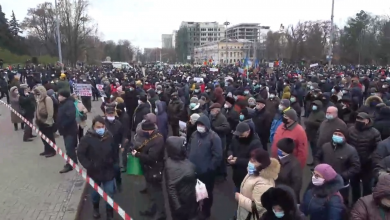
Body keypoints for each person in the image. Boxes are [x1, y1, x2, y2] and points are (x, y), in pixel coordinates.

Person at [77, 116, 117, 220]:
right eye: (98, 127)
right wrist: (89, 165)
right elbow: (81, 154)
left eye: (102, 126)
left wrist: (114, 162)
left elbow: (115, 150)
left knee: (110, 192)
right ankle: (96, 208)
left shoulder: (109, 137)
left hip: (108, 171)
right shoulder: (87, 139)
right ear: (93, 127)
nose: (101, 129)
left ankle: (109, 213)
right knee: (95, 194)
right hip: (94, 172)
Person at [187, 114, 222, 219]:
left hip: (206, 172)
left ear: (207, 125)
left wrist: (209, 168)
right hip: (193, 170)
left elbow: (218, 155)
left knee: (206, 193)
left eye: (202, 124)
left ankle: (206, 212)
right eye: (198, 124)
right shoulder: (194, 134)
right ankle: (196, 208)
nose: (200, 126)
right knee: (194, 191)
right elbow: (189, 146)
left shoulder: (214, 137)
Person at [314, 129, 360, 205]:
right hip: (324, 181)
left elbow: (356, 167)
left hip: (341, 184)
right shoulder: (325, 146)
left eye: (340, 135)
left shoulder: (351, 150)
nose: (337, 136)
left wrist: (342, 176)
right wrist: (319, 169)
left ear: (345, 137)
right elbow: (317, 157)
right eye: (335, 134)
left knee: (341, 203)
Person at [131, 120, 166, 220]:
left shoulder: (157, 140)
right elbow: (146, 147)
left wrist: (137, 154)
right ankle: (153, 209)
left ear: (149, 130)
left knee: (157, 192)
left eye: (144, 131)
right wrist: (138, 148)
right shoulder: (152, 137)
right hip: (149, 169)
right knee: (152, 191)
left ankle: (161, 214)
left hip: (155, 169)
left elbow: (151, 158)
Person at [235, 148, 280, 219]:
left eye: (254, 161)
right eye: (250, 160)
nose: (250, 163)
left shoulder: (264, 183)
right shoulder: (253, 172)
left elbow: (258, 207)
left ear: (262, 164)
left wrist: (240, 198)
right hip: (245, 213)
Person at [348, 112, 381, 203]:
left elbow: (378, 148)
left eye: (361, 119)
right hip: (354, 163)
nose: (358, 121)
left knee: (367, 187)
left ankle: (366, 204)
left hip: (367, 165)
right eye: (357, 119)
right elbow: (348, 144)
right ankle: (356, 203)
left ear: (367, 121)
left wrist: (369, 158)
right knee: (354, 185)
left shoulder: (374, 132)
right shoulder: (351, 130)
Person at [164, 136, 198, 220]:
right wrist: (178, 207)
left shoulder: (177, 159)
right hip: (183, 203)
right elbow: (171, 188)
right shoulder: (172, 167)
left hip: (189, 197)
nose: (185, 148)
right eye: (183, 146)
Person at [228, 122, 261, 192]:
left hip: (248, 175)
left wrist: (237, 161)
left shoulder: (255, 143)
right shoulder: (235, 138)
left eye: (241, 134)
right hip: (236, 173)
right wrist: (230, 154)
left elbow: (255, 161)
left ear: (248, 132)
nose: (239, 136)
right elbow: (230, 148)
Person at [275, 138, 303, 202]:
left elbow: (297, 185)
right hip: (277, 194)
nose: (278, 150)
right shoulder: (277, 159)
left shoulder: (295, 165)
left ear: (285, 151)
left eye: (280, 149)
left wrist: (288, 198)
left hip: (287, 198)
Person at [57, 90, 78, 173]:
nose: (58, 97)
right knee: (69, 147)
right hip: (66, 130)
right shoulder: (63, 104)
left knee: (69, 148)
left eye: (60, 96)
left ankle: (70, 164)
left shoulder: (69, 104)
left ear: (64, 96)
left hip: (69, 130)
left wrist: (63, 124)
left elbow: (71, 117)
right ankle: (73, 162)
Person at [34, 85, 56, 157]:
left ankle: (52, 151)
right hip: (40, 121)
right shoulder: (39, 99)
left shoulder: (47, 99)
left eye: (38, 92)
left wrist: (48, 121)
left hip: (47, 121)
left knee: (49, 137)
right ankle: (46, 150)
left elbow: (50, 112)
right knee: (43, 137)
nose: (37, 94)